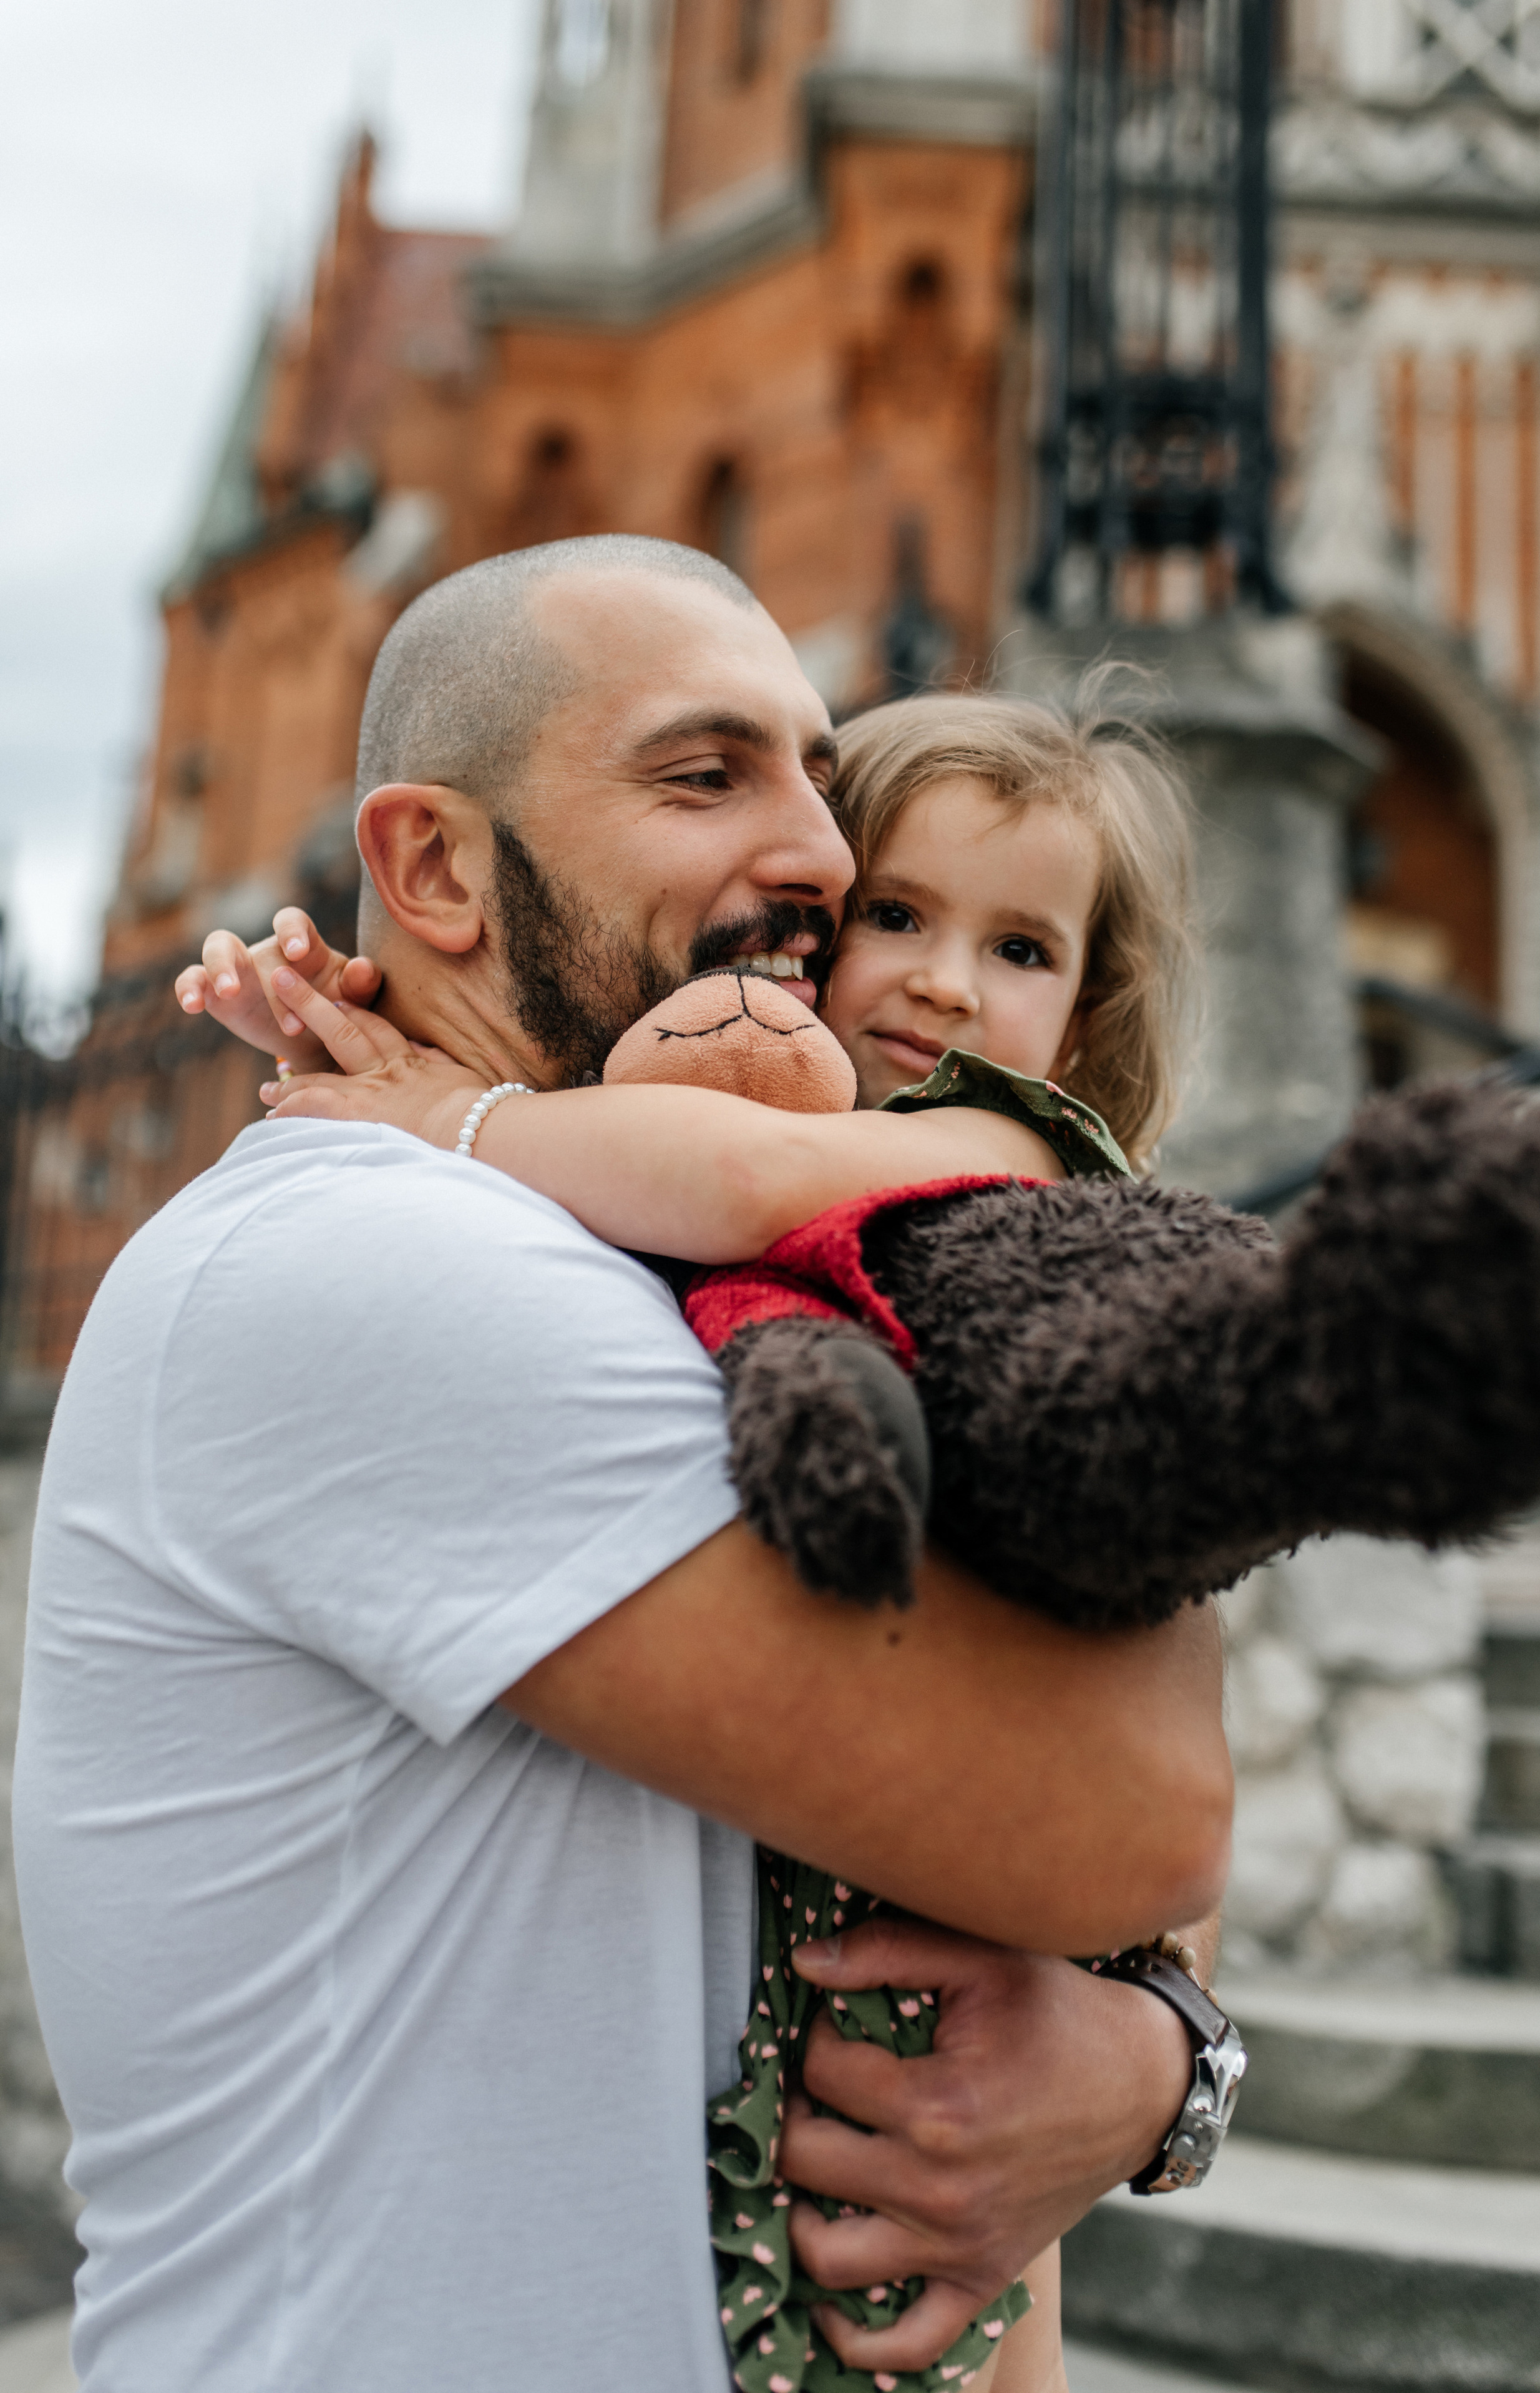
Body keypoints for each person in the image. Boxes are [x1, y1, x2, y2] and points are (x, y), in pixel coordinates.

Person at [15, 539, 1230, 2393]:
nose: (826, 857)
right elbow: (1132, 1806)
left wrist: (1153, 2058)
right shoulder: (381, 1262)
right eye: (704, 772)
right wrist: (1161, 2034)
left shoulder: (635, 1245)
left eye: (822, 775)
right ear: (432, 867)